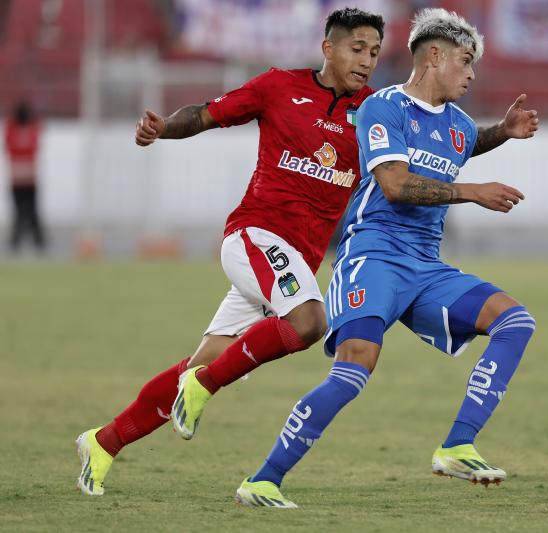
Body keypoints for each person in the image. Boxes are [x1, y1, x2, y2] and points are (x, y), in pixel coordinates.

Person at [203, 8, 540, 508]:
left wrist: (502, 131)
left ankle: (457, 445)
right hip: (373, 256)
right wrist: (472, 193)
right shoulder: (383, 108)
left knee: (515, 321)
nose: (471, 74)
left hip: (426, 266)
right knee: (354, 370)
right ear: (434, 55)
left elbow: (462, 143)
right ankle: (263, 480)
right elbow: (396, 184)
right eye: (465, 62)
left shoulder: (459, 125)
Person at [75, 7, 386, 496]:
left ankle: (103, 441)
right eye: (357, 48)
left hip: (291, 263)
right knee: (308, 321)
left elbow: (429, 145)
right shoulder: (278, 86)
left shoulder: (373, 110)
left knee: (199, 364)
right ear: (328, 48)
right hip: (254, 236)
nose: (367, 60)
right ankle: (205, 388)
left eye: (374, 52)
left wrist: (494, 136)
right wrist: (163, 130)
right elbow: (203, 114)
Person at [4, 101, 46, 253]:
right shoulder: (12, 128)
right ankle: (16, 240)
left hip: (29, 177)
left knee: (33, 210)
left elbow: (34, 146)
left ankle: (38, 240)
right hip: (17, 177)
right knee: (18, 211)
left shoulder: (31, 128)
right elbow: (10, 147)